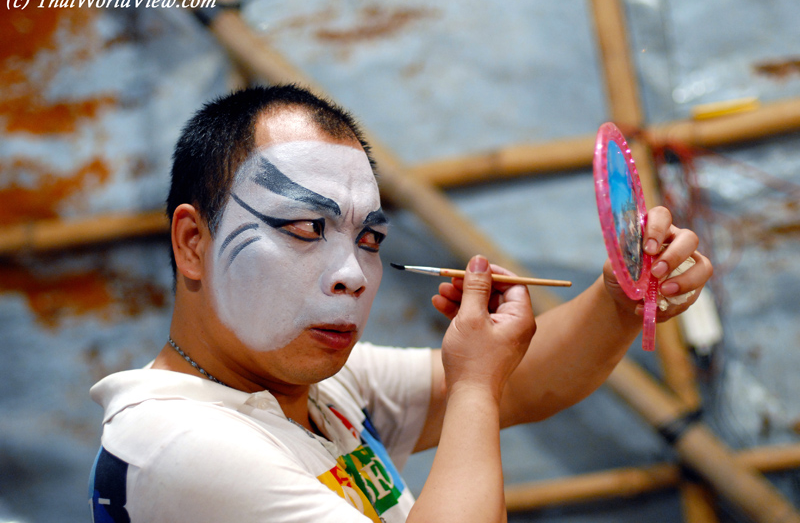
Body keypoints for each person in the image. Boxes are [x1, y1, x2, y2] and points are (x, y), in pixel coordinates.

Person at [88, 84, 713, 523]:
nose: (352, 275)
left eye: (368, 239)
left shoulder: (316, 390)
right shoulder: (179, 445)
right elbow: (484, 392)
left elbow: (523, 383)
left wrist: (621, 297)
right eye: (306, 228)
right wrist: (472, 386)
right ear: (193, 243)